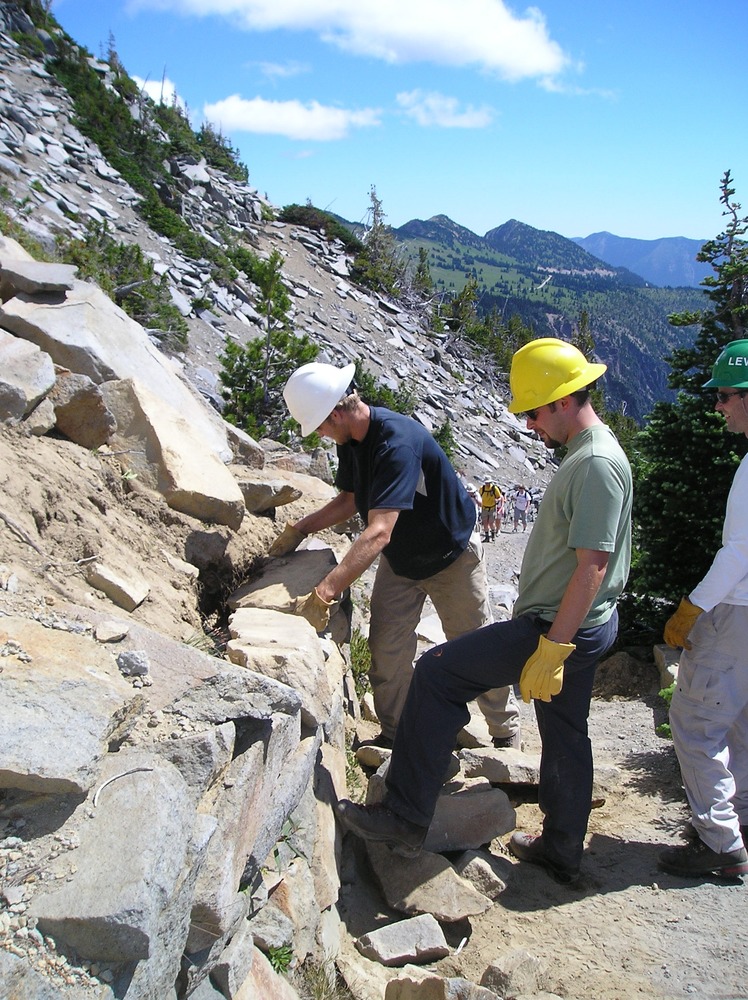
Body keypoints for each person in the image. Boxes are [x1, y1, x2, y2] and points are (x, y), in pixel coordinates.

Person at [337, 338, 632, 885]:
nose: (530, 426)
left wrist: (554, 646)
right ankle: (562, 847)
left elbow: (593, 565)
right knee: (566, 731)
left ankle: (404, 816)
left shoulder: (593, 463)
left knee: (438, 673)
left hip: (559, 627)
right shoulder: (591, 453)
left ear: (564, 400)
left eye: (535, 412)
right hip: (571, 626)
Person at [271, 361, 520, 750]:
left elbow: (378, 532)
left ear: (337, 413)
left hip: (451, 555)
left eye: (319, 426)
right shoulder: (351, 442)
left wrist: (324, 592)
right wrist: (302, 528)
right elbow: (352, 499)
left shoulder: (396, 441)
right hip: (404, 561)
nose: (320, 434)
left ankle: (505, 735)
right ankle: (398, 732)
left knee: (477, 647)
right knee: (386, 648)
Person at [658, 339, 748, 879]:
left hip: (736, 610)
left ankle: (719, 843)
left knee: (694, 719)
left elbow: (738, 552)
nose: (718, 406)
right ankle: (738, 819)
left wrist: (692, 608)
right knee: (739, 722)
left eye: (725, 395)